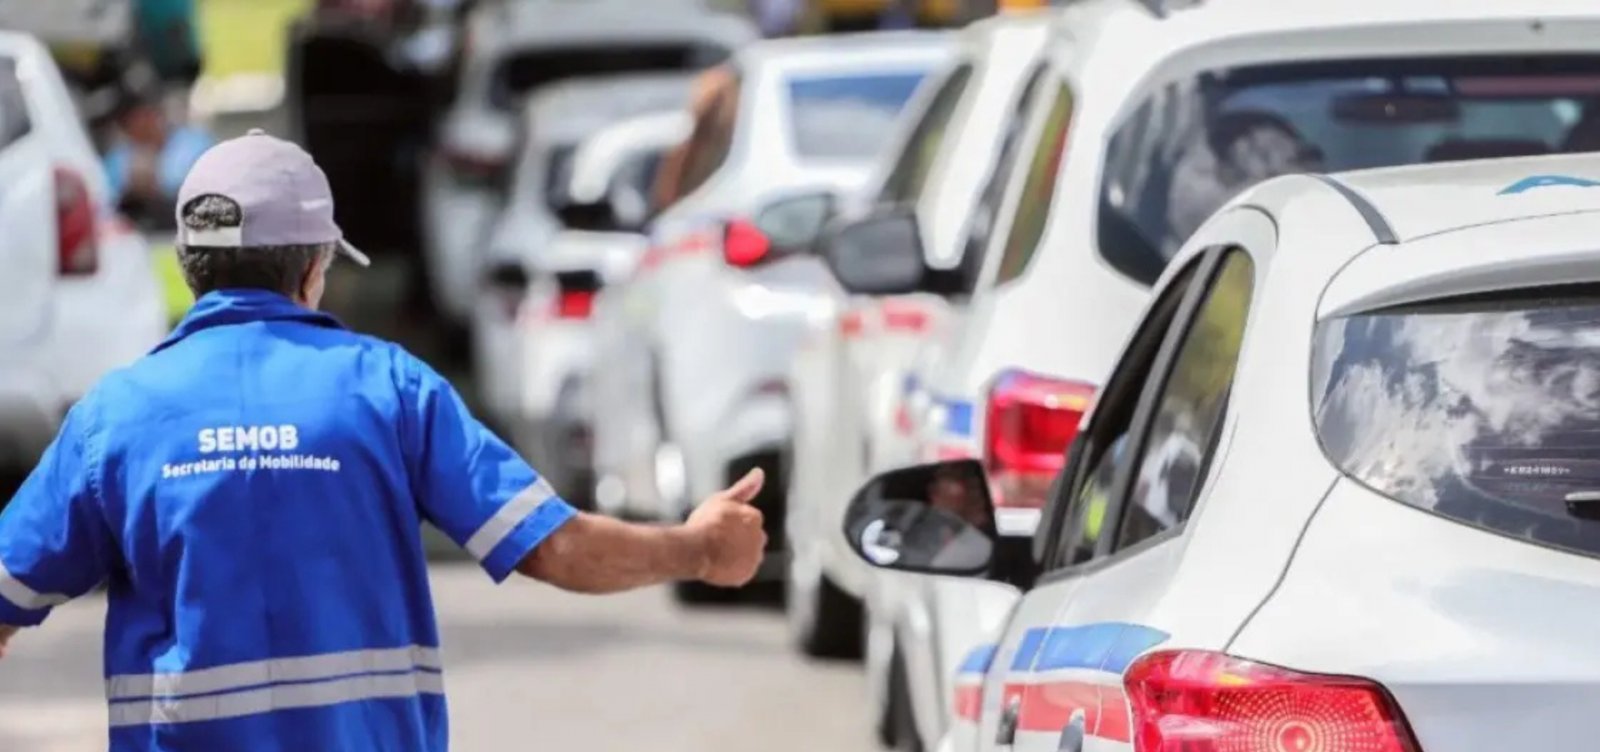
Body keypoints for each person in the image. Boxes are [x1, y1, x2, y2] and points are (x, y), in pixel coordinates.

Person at [0, 130, 768, 750]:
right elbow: (555, 548)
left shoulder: (117, 416)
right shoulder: (390, 390)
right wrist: (697, 548)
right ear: (312, 265)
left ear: (191, 264)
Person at [100, 64, 215, 226]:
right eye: (132, 120)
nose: (145, 123)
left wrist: (157, 187)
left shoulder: (195, 144)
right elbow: (105, 205)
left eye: (149, 114)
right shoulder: (118, 159)